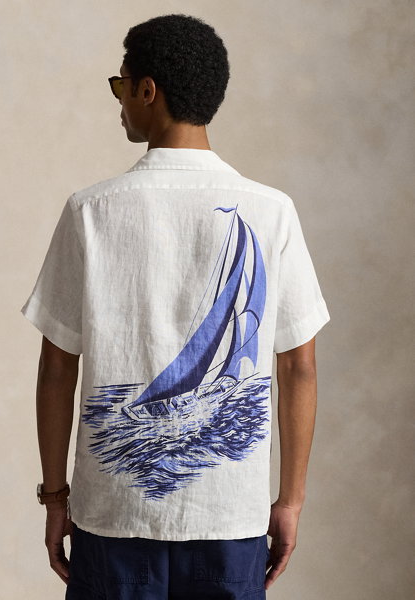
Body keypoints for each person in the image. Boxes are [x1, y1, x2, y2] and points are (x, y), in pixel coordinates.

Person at [20, 13, 330, 600]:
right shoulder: (273, 211)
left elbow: (57, 368)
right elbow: (299, 367)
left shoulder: (91, 211)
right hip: (230, 522)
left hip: (113, 521)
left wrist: (56, 497)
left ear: (147, 90)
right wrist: (289, 502)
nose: (118, 101)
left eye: (120, 84)